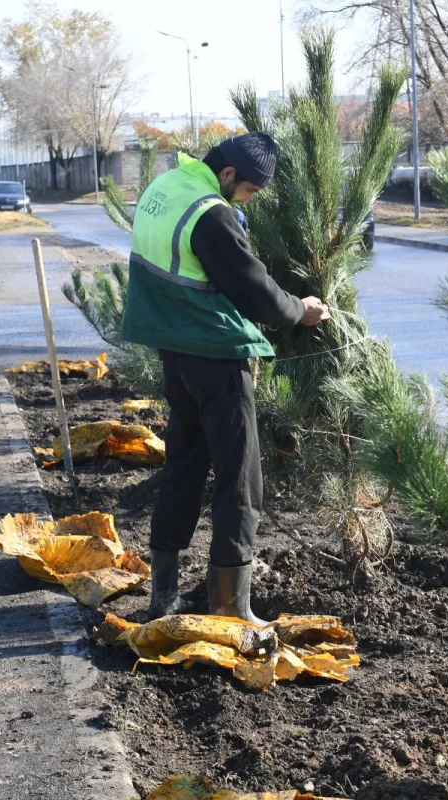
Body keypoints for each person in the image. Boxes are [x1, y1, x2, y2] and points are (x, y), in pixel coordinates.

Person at [120, 132, 329, 624]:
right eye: (250, 191)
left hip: (174, 350)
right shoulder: (211, 211)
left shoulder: (167, 185)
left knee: (184, 466)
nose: (247, 200)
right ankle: (231, 607)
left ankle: (164, 596)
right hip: (215, 353)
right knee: (240, 477)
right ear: (230, 173)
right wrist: (301, 310)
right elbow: (253, 287)